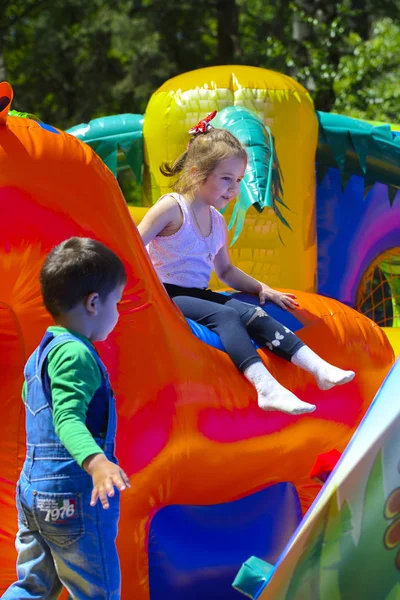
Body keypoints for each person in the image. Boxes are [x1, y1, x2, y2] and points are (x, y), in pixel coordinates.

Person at [139, 112, 355, 415]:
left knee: (252, 312)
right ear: (197, 172)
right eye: (226, 179)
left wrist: (262, 288)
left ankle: (318, 368)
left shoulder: (216, 220)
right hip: (164, 293)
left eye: (238, 180)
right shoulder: (172, 208)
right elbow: (132, 244)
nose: (234, 189)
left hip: (195, 293)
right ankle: (265, 388)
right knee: (225, 316)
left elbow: (225, 270)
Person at [3, 237, 129, 600]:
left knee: (32, 586)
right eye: (116, 303)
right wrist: (98, 463)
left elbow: (40, 414)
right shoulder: (76, 354)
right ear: (94, 302)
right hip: (71, 496)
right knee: (96, 591)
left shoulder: (39, 356)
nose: (117, 313)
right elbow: (67, 419)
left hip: (33, 493)